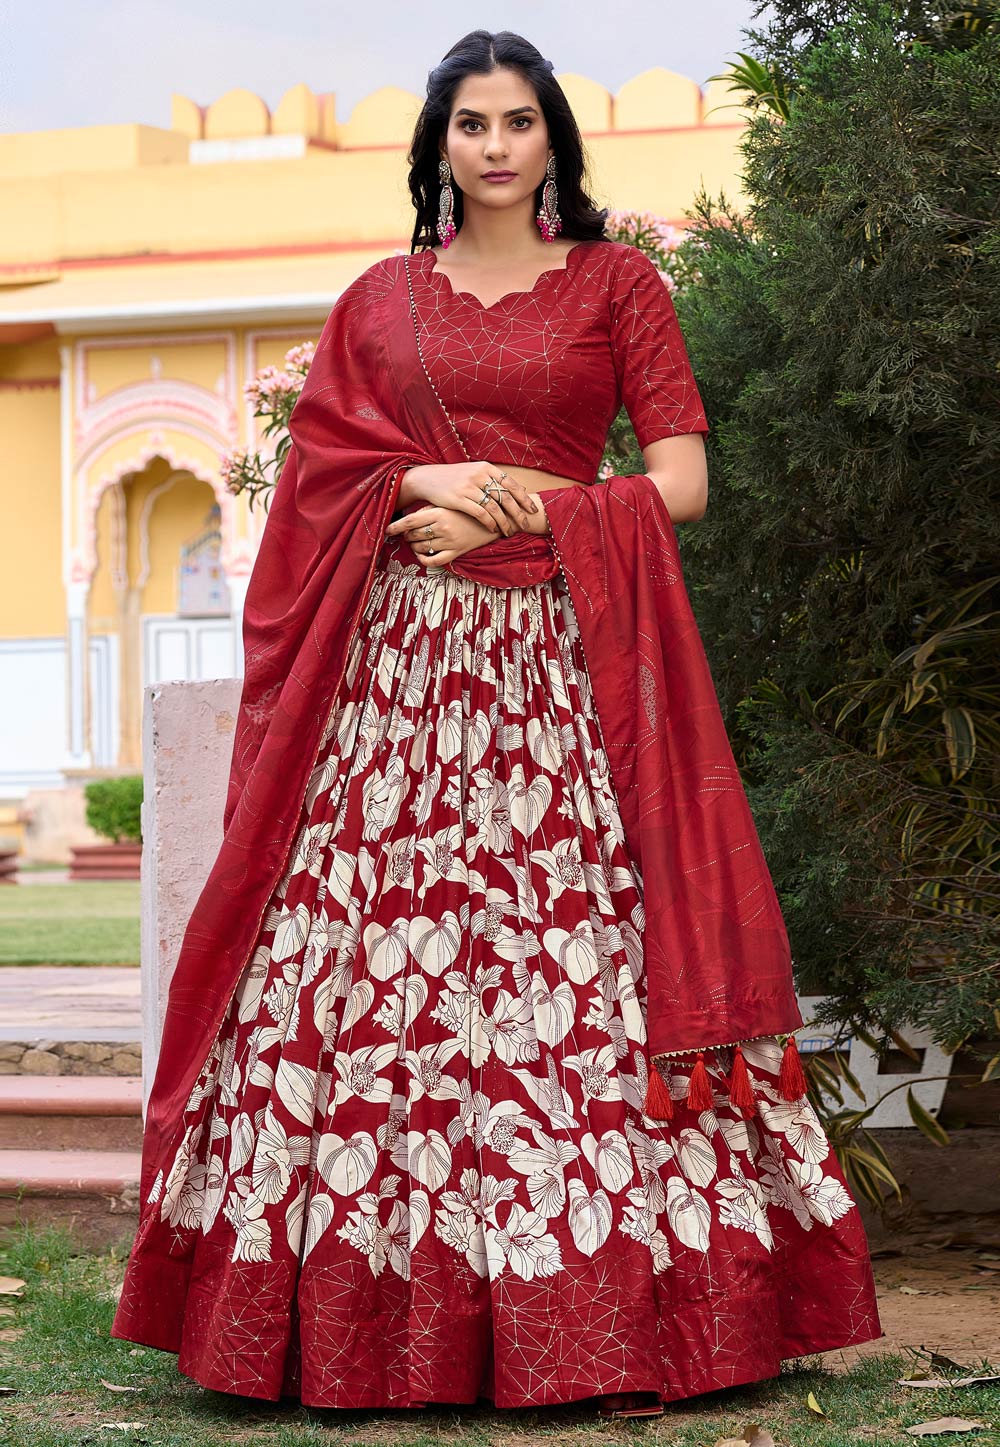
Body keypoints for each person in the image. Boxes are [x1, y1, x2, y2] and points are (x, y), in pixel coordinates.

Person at [111, 28, 884, 1419]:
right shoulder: (378, 299)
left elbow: (682, 479)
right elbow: (323, 483)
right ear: (440, 145)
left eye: (519, 121)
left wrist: (523, 502)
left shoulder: (619, 284)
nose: (496, 146)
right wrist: (434, 485)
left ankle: (620, 1323)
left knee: (568, 971)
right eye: (471, 123)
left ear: (553, 142)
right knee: (365, 972)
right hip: (396, 683)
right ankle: (340, 1322)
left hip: (561, 672)